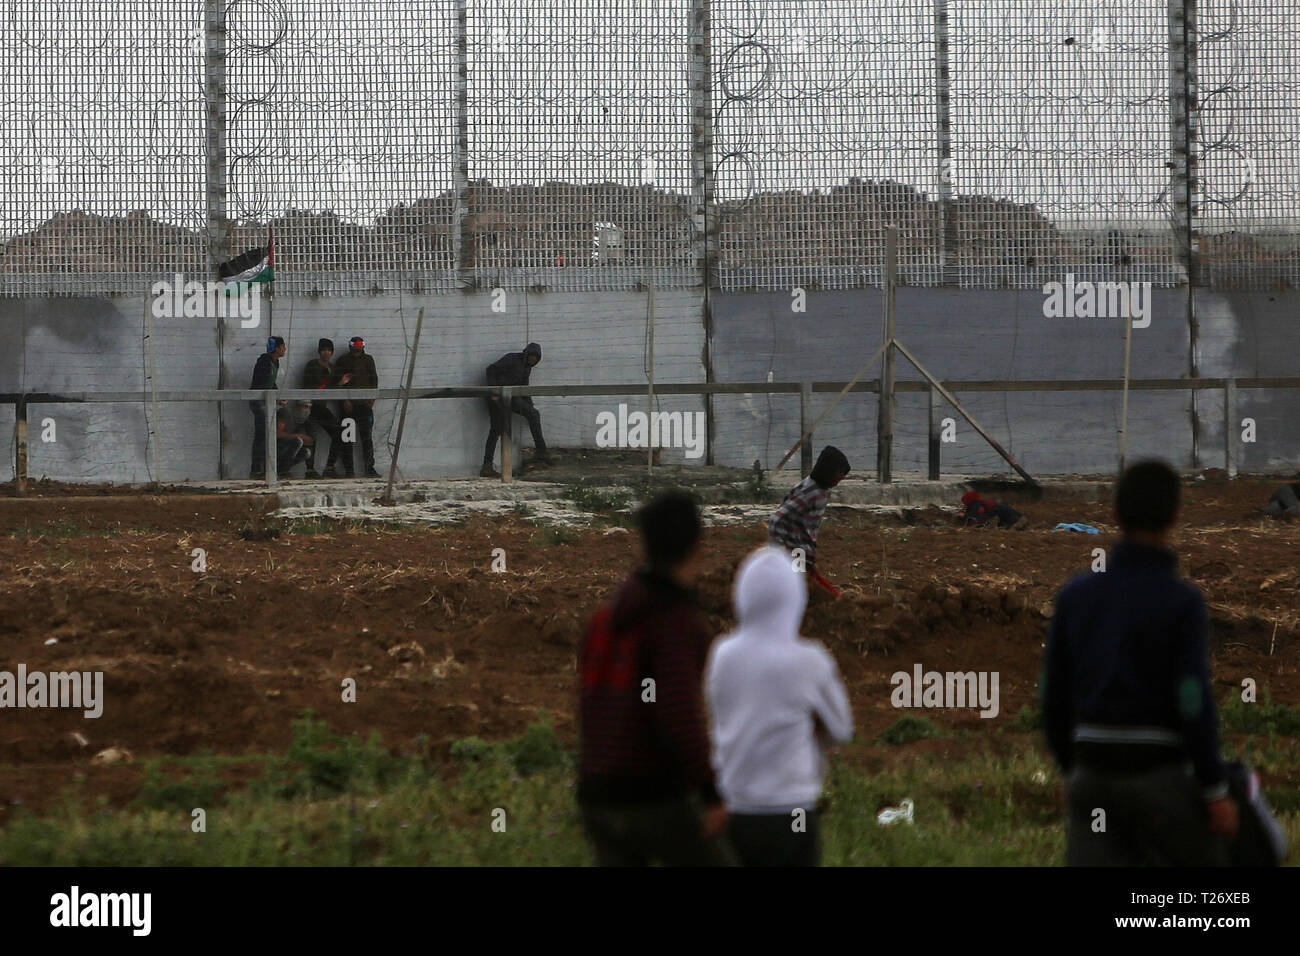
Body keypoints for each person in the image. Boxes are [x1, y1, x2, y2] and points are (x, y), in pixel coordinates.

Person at [1042, 459, 1238, 866]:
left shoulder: (1076, 595)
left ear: (1114, 514)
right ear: (1175, 518)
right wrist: (1214, 788)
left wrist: (1071, 770)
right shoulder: (1181, 601)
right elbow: (1191, 698)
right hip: (1158, 777)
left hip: (1091, 772)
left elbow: (1053, 696)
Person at [577, 492, 733, 866]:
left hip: (595, 791)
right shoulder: (674, 621)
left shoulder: (607, 616)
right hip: (647, 794)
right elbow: (679, 713)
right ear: (698, 546)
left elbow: (589, 701)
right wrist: (711, 794)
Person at [706, 546, 853, 866]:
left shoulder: (723, 654)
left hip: (735, 809)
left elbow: (718, 712)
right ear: (795, 600)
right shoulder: (811, 659)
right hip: (792, 811)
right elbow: (842, 730)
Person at [768, 445, 850, 586]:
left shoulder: (823, 490)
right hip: (796, 552)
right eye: (840, 473)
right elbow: (777, 520)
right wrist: (779, 552)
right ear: (828, 471)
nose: (841, 478)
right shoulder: (809, 493)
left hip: (804, 553)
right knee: (797, 589)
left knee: (806, 587)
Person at [481, 342, 549, 478]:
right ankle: (487, 466)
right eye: (532, 356)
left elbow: (524, 388)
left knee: (533, 414)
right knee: (496, 429)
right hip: (498, 397)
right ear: (527, 354)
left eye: (536, 358)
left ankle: (541, 451)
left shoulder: (527, 368)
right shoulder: (512, 359)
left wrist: (529, 405)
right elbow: (491, 369)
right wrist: (494, 392)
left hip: (510, 398)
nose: (533, 360)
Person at [332, 335, 380, 478]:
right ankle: (349, 471)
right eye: (355, 347)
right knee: (348, 439)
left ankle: (369, 468)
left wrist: (372, 397)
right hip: (349, 406)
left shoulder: (368, 360)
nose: (357, 350)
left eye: (359, 348)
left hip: (365, 405)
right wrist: (344, 400)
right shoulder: (343, 360)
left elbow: (374, 379)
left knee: (367, 438)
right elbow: (338, 381)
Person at [301, 338, 344, 479]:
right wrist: (339, 384)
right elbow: (317, 386)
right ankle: (310, 470)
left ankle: (329, 467)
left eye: (329, 350)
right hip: (312, 406)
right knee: (311, 438)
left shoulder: (332, 368)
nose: (326, 353)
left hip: (322, 407)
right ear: (319, 351)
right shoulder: (313, 365)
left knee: (338, 433)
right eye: (324, 350)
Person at [248, 336, 285, 480]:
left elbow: (271, 382)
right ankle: (257, 469)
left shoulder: (275, 362)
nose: (284, 349)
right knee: (261, 435)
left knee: (265, 435)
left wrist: (277, 396)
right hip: (259, 402)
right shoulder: (264, 361)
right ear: (277, 348)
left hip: (266, 401)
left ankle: (262, 468)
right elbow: (261, 383)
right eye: (282, 346)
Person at [272, 399, 313, 479]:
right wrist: (299, 436)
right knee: (297, 441)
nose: (307, 410)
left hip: (285, 449)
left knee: (306, 452)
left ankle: (280, 470)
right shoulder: (286, 413)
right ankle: (283, 471)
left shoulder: (303, 422)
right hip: (276, 447)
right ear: (297, 406)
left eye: (309, 407)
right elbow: (277, 434)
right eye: (305, 407)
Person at [960, 490, 1026, 529]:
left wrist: (965, 517)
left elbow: (972, 514)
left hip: (997, 509)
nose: (964, 504)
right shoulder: (978, 501)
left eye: (965, 502)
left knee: (1011, 520)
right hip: (999, 509)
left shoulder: (976, 503)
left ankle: (1021, 525)